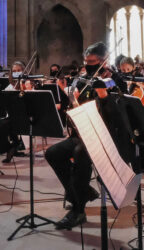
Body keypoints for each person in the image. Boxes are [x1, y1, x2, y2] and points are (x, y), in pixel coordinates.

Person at [46, 42, 135, 230]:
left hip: (108, 136)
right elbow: (76, 106)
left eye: (93, 61)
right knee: (52, 153)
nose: (88, 65)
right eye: (86, 61)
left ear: (104, 61)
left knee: (80, 153)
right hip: (84, 132)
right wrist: (68, 94)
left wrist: (104, 97)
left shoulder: (116, 80)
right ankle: (82, 191)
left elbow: (121, 116)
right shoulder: (83, 79)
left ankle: (78, 210)